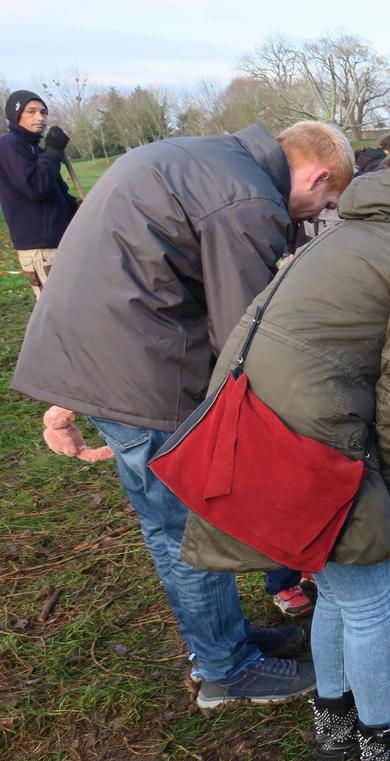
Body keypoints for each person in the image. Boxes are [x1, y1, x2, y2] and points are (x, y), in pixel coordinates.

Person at [182, 128, 390, 761]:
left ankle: (335, 726)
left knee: (337, 581)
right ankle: (385, 748)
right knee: (370, 590)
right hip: (306, 428)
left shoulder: (349, 231)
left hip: (257, 411)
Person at [11, 121, 355, 708]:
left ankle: (226, 637)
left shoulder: (204, 158)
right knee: (183, 523)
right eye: (324, 202)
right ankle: (226, 669)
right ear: (318, 174)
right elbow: (242, 337)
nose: (311, 216)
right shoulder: (247, 200)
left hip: (100, 346)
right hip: (137, 365)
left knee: (167, 518)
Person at [0, 91, 77, 299]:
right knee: (56, 309)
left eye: (43, 112)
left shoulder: (38, 150)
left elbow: (57, 191)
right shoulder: (7, 145)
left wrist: (79, 207)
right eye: (31, 112)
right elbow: (36, 188)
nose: (40, 117)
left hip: (60, 240)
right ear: (16, 115)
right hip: (39, 247)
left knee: (73, 302)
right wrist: (52, 152)